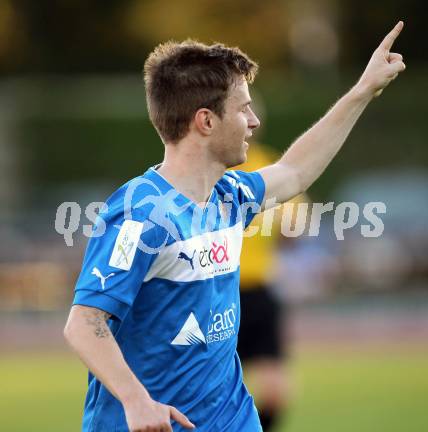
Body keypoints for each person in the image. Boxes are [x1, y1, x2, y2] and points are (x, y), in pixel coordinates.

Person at [64, 22, 406, 432]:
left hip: (231, 420)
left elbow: (294, 170)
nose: (255, 121)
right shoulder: (141, 214)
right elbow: (84, 323)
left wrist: (360, 92)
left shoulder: (230, 194)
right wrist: (137, 402)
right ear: (206, 121)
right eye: (243, 108)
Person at [234, 143, 309, 431]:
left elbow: (293, 232)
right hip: (210, 293)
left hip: (257, 292)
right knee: (200, 389)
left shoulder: (269, 168)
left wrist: (283, 223)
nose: (249, 121)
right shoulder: (204, 170)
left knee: (276, 390)